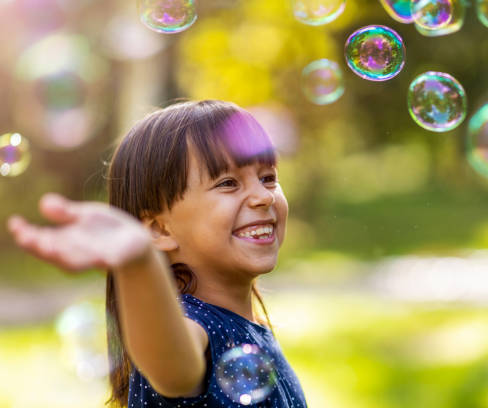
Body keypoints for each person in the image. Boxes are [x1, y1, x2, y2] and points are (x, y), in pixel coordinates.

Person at [7, 100, 308, 408]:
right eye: (228, 183)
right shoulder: (192, 327)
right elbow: (172, 364)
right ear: (160, 230)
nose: (262, 196)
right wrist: (139, 262)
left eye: (268, 177)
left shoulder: (247, 327)